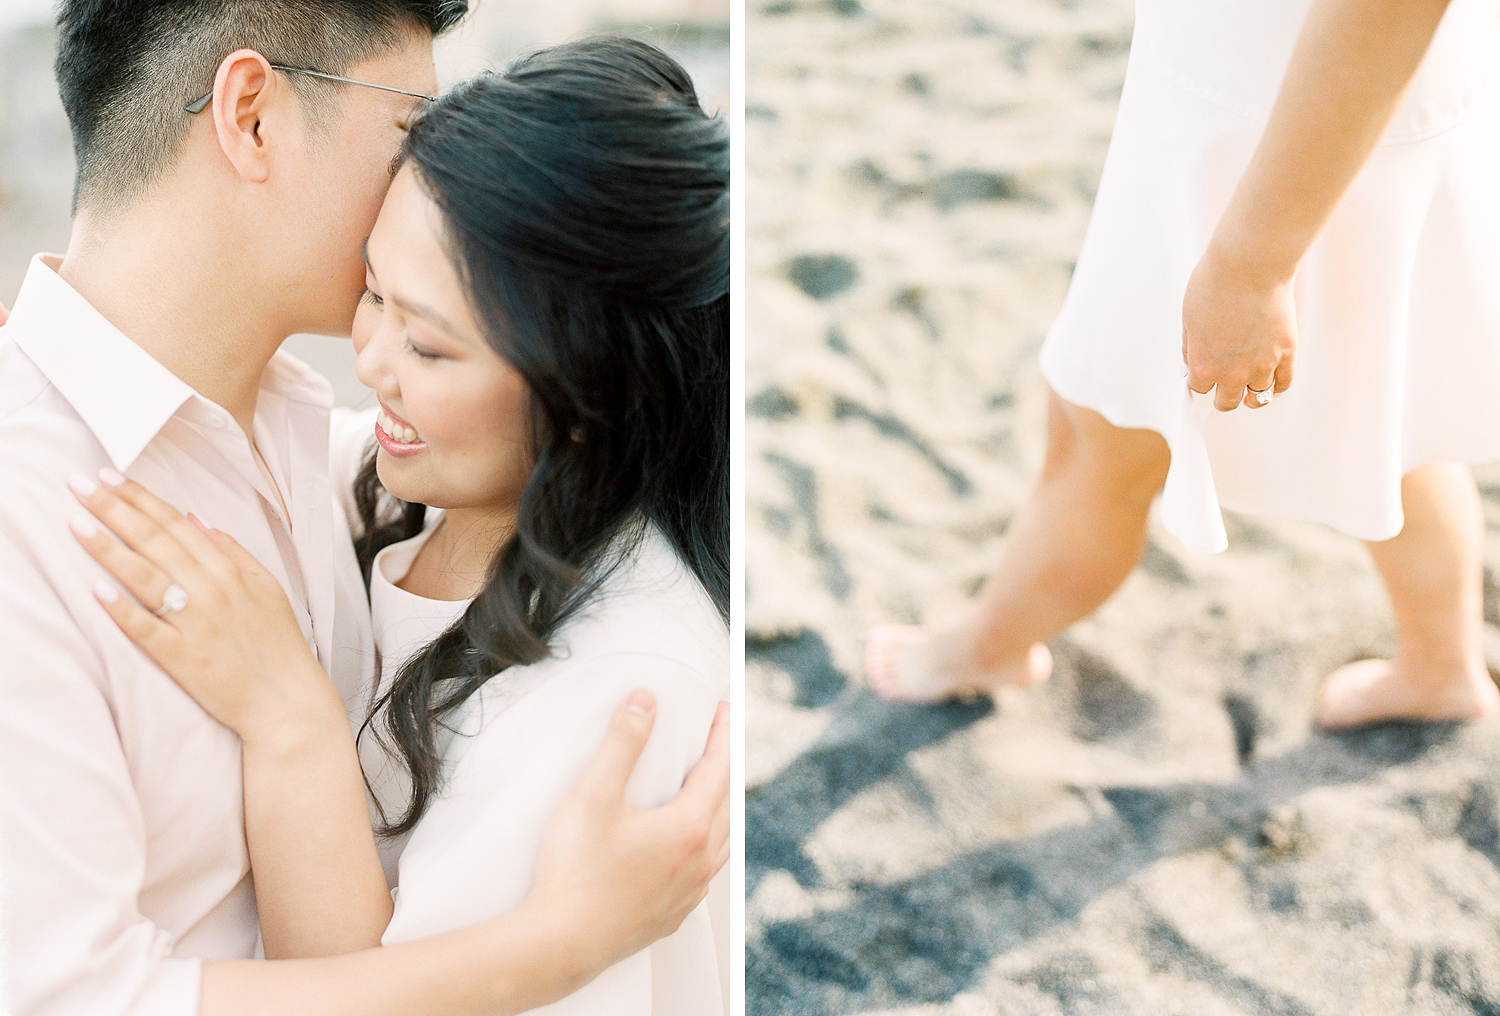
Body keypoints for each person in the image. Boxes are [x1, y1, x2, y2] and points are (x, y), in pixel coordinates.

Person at [0, 4, 727, 1014]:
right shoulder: (28, 512)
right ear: (251, 117)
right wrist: (553, 948)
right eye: (408, 123)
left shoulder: (305, 431)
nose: (428, 176)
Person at [866, 0, 1500, 729]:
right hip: (1319, 107)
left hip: (1275, 133)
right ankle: (1442, 667)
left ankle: (985, 647)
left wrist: (1250, 264)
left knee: (1102, 430)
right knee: (1390, 421)